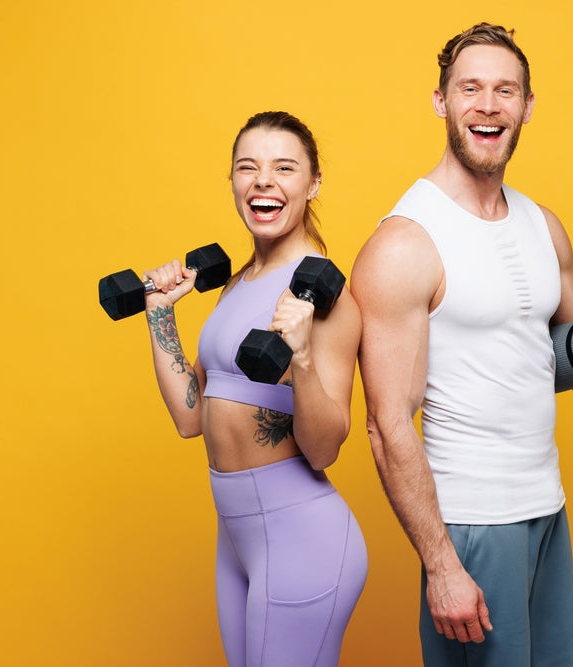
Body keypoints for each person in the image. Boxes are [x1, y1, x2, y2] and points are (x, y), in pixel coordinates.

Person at [351, 23, 573, 667]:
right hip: (470, 524)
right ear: (441, 101)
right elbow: (385, 424)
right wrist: (441, 564)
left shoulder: (544, 226)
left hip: (547, 508)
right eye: (471, 89)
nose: (488, 105)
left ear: (527, 106)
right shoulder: (405, 244)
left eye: (505, 91)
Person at [141, 111, 367, 667]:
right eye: (248, 167)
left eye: (283, 168)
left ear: (312, 184)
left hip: (301, 537)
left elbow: (324, 448)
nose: (263, 180)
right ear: (235, 183)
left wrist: (305, 356)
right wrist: (159, 318)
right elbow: (191, 418)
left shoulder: (322, 295)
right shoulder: (238, 282)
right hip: (236, 538)